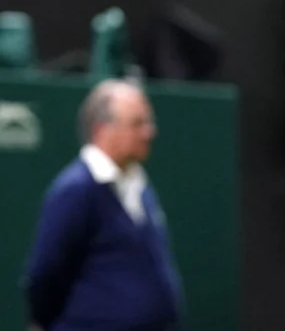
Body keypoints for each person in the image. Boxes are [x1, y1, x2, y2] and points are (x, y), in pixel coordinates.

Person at [22, 79, 184, 331]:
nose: (149, 132)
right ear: (101, 130)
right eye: (137, 124)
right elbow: (45, 274)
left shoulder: (139, 185)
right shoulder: (76, 189)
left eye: (148, 123)